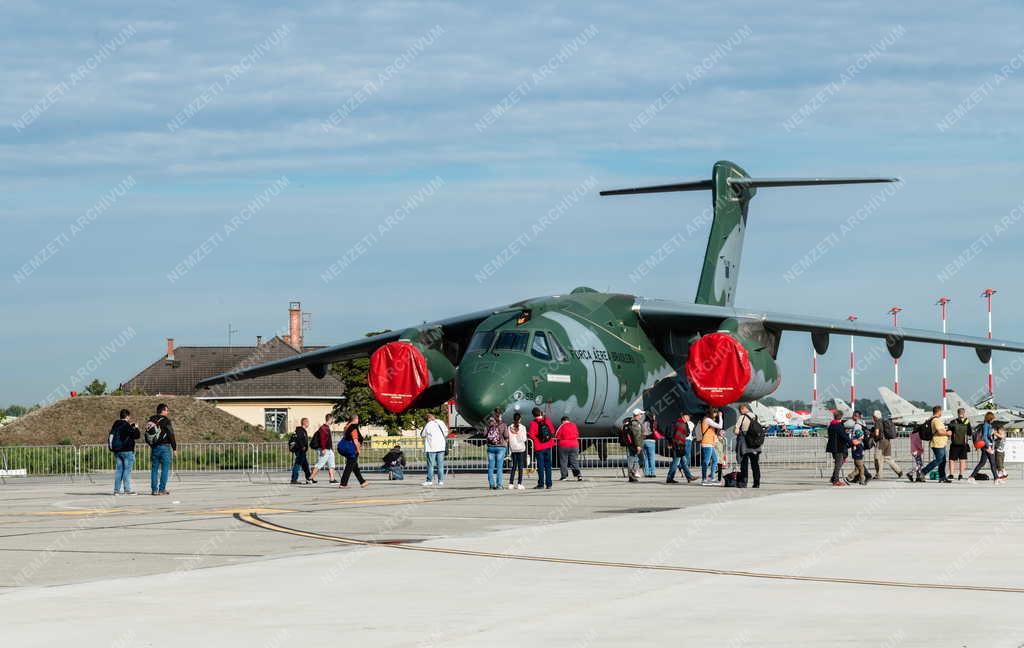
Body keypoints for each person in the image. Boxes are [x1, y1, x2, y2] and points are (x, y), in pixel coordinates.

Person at [108, 409, 140, 495]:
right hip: (127, 450)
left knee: (119, 470)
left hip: (117, 451)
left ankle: (116, 490)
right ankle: (127, 490)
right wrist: (136, 427)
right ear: (127, 416)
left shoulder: (116, 424)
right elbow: (136, 435)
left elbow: (113, 435)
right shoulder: (126, 425)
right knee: (127, 470)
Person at [147, 403, 176, 496]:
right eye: (167, 410)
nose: (167, 412)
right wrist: (174, 448)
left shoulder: (151, 420)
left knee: (154, 469)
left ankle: (154, 490)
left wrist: (151, 445)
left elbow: (147, 435)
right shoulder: (166, 420)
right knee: (165, 469)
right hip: (165, 447)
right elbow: (171, 434)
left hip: (154, 447)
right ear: (162, 411)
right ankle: (161, 489)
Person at [919, 406, 952, 483]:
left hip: (940, 443)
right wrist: (947, 433)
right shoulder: (936, 420)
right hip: (938, 443)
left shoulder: (933, 419)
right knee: (939, 460)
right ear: (939, 411)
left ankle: (942, 477)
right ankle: (923, 472)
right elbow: (939, 432)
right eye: (941, 411)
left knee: (942, 461)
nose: (941, 413)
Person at [528, 407, 556, 489]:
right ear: (540, 413)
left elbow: (532, 435)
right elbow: (552, 431)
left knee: (540, 466)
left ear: (533, 415)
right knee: (548, 465)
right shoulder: (547, 420)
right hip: (548, 445)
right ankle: (549, 483)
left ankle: (541, 484)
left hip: (539, 447)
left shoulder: (533, 423)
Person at [870, 410, 902, 479]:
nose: (873, 417)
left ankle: (879, 474)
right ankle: (899, 471)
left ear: (876, 416)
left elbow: (877, 433)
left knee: (877, 458)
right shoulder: (884, 421)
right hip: (887, 441)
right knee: (888, 458)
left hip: (881, 442)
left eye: (873, 416)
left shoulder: (877, 422)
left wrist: (872, 435)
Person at [735, 404, 761, 488]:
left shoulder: (742, 417)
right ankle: (756, 483)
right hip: (755, 444)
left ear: (743, 409)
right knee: (755, 464)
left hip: (744, 444)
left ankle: (744, 482)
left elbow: (736, 430)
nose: (740, 412)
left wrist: (739, 432)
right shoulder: (756, 417)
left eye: (740, 410)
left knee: (744, 464)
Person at [968, 412, 998, 483]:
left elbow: (988, 436)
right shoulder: (986, 425)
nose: (994, 419)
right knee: (992, 462)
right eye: (993, 418)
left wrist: (992, 434)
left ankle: (972, 477)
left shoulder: (988, 425)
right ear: (990, 418)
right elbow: (984, 437)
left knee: (983, 462)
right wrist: (988, 447)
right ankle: (996, 478)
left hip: (987, 446)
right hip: (986, 446)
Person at [667, 413, 697, 484]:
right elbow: (685, 434)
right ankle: (669, 478)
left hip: (677, 445)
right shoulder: (682, 424)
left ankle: (689, 476)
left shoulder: (677, 422)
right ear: (685, 416)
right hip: (679, 446)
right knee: (675, 462)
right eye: (688, 417)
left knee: (683, 462)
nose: (689, 419)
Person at [339, 415, 367, 488]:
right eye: (358, 418)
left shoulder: (347, 426)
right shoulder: (353, 427)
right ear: (355, 419)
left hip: (347, 448)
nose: (358, 420)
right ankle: (343, 484)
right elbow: (355, 440)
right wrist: (358, 449)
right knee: (349, 466)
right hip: (352, 449)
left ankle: (362, 482)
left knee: (354, 466)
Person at [420, 412, 448, 487]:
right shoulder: (441, 422)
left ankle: (429, 481)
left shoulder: (428, 424)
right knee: (440, 465)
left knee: (430, 465)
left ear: (428, 419)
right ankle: (441, 481)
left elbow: (422, 435)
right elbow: (446, 433)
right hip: (441, 447)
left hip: (431, 447)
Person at [309, 414, 337, 484]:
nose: (333, 421)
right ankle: (310, 478)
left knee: (331, 464)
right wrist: (323, 448)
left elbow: (328, 440)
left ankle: (332, 479)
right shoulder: (323, 428)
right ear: (330, 419)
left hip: (329, 449)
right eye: (332, 420)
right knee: (320, 464)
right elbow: (322, 439)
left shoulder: (327, 428)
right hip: (324, 449)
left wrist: (331, 448)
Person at [946, 408, 972, 480]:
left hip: (954, 443)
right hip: (963, 444)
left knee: (952, 459)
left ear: (957, 413)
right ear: (964, 413)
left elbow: (949, 432)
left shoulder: (953, 422)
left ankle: (951, 474)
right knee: (962, 459)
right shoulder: (967, 422)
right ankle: (961, 475)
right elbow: (970, 433)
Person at [700, 407, 723, 485]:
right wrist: (720, 416)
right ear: (711, 413)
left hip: (710, 443)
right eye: (715, 413)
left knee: (715, 460)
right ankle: (704, 479)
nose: (716, 414)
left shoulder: (709, 420)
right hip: (707, 443)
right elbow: (720, 426)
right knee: (706, 461)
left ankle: (712, 478)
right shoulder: (707, 420)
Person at [826, 411, 850, 486]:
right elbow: (843, 436)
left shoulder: (831, 425)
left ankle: (833, 478)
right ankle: (836, 480)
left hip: (833, 447)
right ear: (841, 417)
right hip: (839, 447)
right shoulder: (839, 426)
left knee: (838, 463)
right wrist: (851, 441)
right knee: (838, 464)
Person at [485, 414, 509, 490]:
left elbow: (485, 434)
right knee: (499, 467)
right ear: (500, 417)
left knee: (490, 467)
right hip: (501, 448)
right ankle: (499, 485)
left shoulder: (488, 425)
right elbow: (506, 435)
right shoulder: (503, 425)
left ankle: (491, 485)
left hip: (490, 447)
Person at [556, 416, 582, 481]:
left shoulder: (562, 426)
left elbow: (557, 435)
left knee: (564, 461)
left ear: (562, 421)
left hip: (564, 445)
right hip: (574, 445)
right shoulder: (574, 425)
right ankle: (578, 475)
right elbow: (577, 434)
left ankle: (564, 476)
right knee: (574, 461)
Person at [507, 412, 528, 490]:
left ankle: (511, 483)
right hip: (521, 448)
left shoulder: (509, 427)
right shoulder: (522, 427)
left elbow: (509, 437)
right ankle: (519, 483)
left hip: (513, 448)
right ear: (520, 419)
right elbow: (524, 439)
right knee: (520, 467)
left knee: (514, 466)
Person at [623, 410, 645, 482]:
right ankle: (634, 472)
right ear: (637, 415)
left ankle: (631, 476)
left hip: (631, 444)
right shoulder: (635, 424)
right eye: (640, 414)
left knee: (632, 460)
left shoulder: (630, 422)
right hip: (636, 445)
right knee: (641, 460)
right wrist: (638, 445)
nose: (641, 415)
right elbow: (636, 436)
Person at [289, 418, 311, 484]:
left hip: (302, 450)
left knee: (305, 465)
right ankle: (294, 479)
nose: (309, 423)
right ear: (305, 423)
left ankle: (309, 478)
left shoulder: (302, 430)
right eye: (308, 422)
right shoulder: (300, 430)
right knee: (297, 464)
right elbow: (299, 439)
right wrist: (302, 447)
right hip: (300, 450)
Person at [641, 413, 658, 478]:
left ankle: (647, 473)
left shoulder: (643, 423)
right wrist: (654, 420)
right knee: (652, 457)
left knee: (646, 458)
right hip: (651, 441)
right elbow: (656, 429)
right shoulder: (653, 423)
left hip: (644, 441)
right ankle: (652, 472)